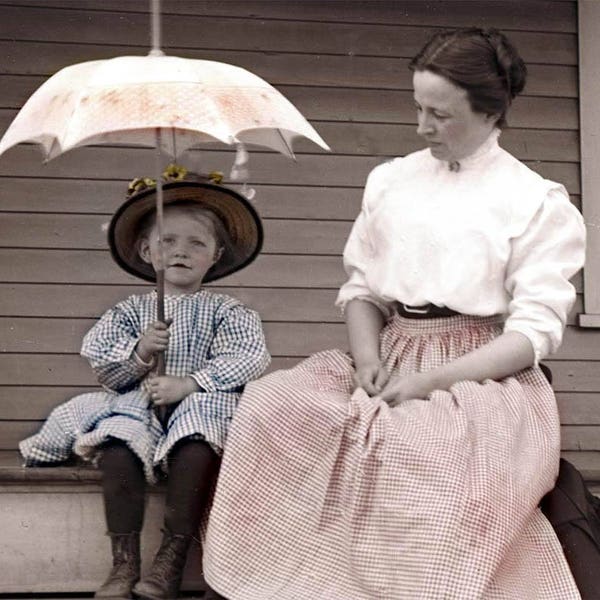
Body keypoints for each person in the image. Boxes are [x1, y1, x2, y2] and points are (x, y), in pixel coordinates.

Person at [201, 28, 586, 599]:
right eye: (418, 107)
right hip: (391, 349)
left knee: (418, 452)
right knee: (273, 405)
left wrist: (432, 381)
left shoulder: (536, 201)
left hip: (481, 371)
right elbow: (364, 291)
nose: (422, 127)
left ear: (490, 113)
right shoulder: (392, 180)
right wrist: (365, 359)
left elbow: (531, 334)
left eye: (441, 114)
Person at [19, 167, 270, 600]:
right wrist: (140, 353)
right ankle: (124, 562)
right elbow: (109, 371)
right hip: (142, 407)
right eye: (167, 241)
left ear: (216, 255)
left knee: (199, 438)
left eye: (197, 243)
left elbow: (247, 359)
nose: (181, 252)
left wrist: (190, 384)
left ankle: (170, 560)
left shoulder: (228, 310)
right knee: (119, 439)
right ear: (146, 250)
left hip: (199, 406)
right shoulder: (131, 311)